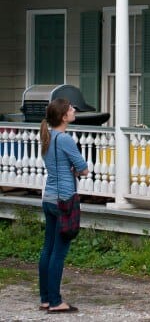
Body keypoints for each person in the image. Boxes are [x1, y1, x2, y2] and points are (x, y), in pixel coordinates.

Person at [38, 98, 88, 313]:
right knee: (58, 252)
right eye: (70, 108)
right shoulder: (65, 139)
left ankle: (46, 299)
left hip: (49, 198)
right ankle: (56, 302)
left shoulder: (47, 137)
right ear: (62, 116)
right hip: (64, 200)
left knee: (47, 249)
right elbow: (83, 168)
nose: (73, 110)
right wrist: (75, 170)